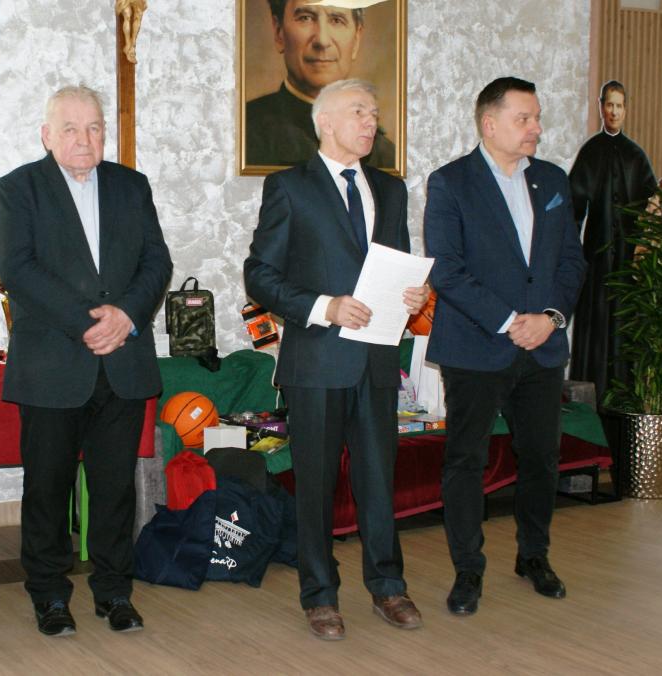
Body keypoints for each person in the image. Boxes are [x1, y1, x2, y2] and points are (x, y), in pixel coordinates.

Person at [244, 79, 429, 641]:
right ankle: (319, 596)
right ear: (325, 122)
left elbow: (397, 263)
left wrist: (415, 295)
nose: (371, 122)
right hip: (317, 361)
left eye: (374, 113)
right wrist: (324, 306)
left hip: (377, 360)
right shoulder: (289, 187)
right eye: (359, 112)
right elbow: (260, 274)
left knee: (378, 481)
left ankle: (389, 586)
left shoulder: (390, 190)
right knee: (316, 485)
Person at [0, 85, 172, 638]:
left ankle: (115, 591)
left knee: (116, 490)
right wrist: (89, 322)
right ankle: (49, 594)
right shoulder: (20, 188)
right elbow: (18, 269)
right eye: (70, 128)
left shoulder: (131, 186)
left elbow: (156, 261)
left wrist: (127, 315)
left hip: (123, 362)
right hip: (52, 365)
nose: (84, 139)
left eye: (94, 127)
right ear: (47, 135)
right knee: (47, 490)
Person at [423, 77, 587, 616]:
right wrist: (510, 321)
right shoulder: (450, 183)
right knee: (465, 460)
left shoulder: (553, 180)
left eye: (537, 117)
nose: (536, 127)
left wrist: (551, 319)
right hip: (476, 347)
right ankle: (468, 569)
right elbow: (447, 269)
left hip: (542, 347)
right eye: (524, 118)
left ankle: (534, 556)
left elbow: (572, 261)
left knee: (541, 457)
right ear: (489, 124)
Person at [568, 80, 657, 408]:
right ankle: (591, 412)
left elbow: (653, 202)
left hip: (628, 263)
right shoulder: (591, 152)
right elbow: (573, 209)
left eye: (619, 105)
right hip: (596, 262)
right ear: (601, 107)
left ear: (625, 109)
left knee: (623, 333)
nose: (614, 111)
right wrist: (572, 258)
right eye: (609, 105)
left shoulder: (636, 155)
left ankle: (622, 410)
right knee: (594, 332)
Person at [245, 0, 394, 168]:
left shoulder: (385, 155)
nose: (322, 41)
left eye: (336, 20)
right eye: (305, 18)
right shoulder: (241, 135)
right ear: (279, 32)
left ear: (357, 38)